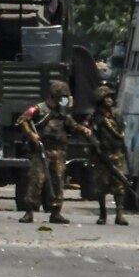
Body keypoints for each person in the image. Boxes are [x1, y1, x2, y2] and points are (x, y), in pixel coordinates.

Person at [17, 80, 91, 224]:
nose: (63, 99)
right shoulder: (39, 109)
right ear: (54, 95)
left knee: (58, 181)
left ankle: (56, 212)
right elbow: (22, 120)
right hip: (42, 149)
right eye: (62, 96)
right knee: (36, 180)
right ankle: (30, 211)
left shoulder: (62, 112)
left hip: (59, 150)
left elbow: (72, 125)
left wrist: (84, 130)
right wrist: (31, 135)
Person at [85, 85, 129, 225]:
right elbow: (88, 132)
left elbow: (121, 132)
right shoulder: (95, 116)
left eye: (110, 97)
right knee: (101, 185)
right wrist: (95, 144)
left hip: (116, 153)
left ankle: (119, 214)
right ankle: (103, 214)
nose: (109, 100)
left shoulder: (116, 114)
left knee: (119, 185)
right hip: (102, 156)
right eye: (106, 98)